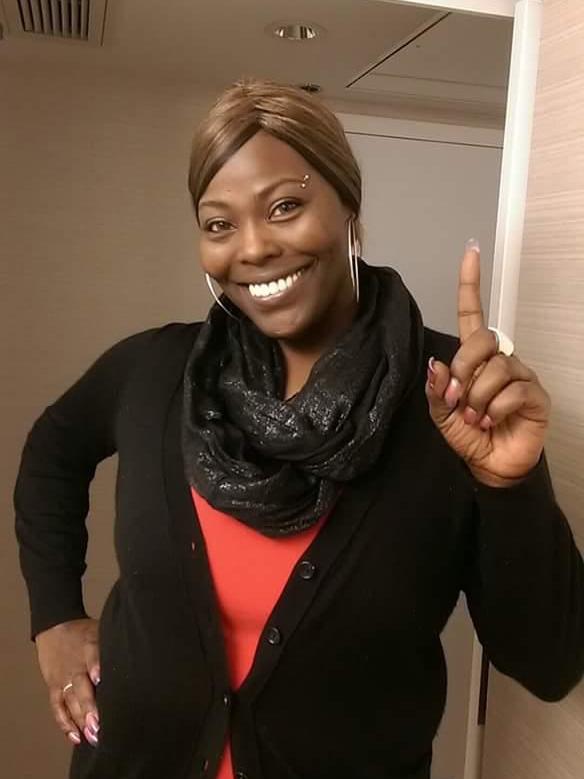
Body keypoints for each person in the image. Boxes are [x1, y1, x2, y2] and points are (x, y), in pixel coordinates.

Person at [15, 79, 584, 779]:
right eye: (219, 224)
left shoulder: (456, 398)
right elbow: (53, 450)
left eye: (285, 206)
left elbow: (550, 663)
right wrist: (54, 617)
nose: (253, 247)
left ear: (348, 204)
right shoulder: (155, 373)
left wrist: (510, 486)